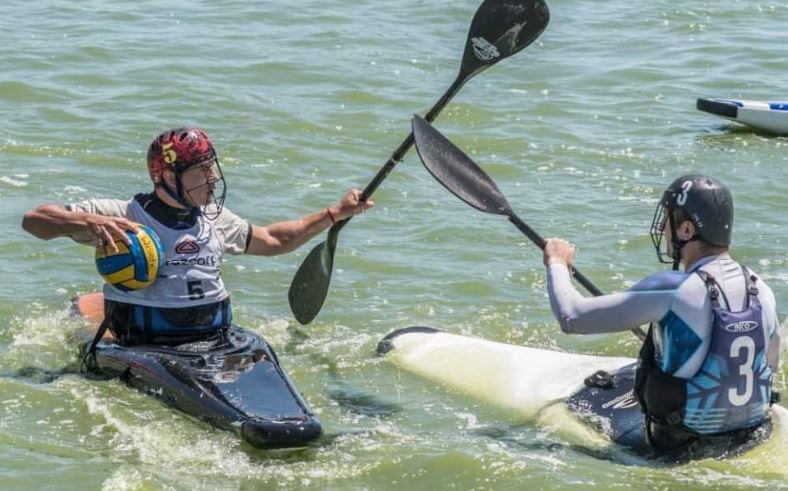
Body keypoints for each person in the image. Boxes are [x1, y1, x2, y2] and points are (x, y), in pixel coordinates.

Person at [22, 127, 373, 345]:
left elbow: (275, 240)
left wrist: (333, 214)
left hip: (215, 337)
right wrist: (84, 221)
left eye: (212, 167)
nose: (214, 178)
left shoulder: (214, 218)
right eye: (201, 170)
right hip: (148, 342)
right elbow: (34, 221)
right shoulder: (121, 215)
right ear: (168, 178)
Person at [542, 174, 781, 451]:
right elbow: (770, 364)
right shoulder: (761, 288)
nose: (661, 227)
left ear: (687, 229)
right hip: (749, 439)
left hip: (676, 448)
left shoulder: (671, 288)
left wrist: (557, 262)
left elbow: (572, 317)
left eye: (667, 219)